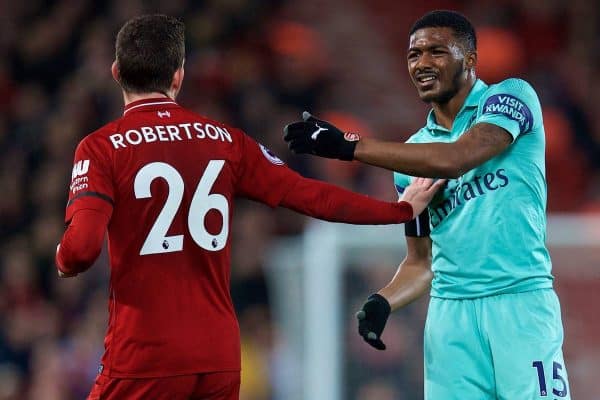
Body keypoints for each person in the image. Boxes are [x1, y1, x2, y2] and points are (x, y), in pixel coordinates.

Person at [55, 14, 444, 400]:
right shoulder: (225, 141)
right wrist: (398, 210)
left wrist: (61, 256)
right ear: (178, 76)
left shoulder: (101, 147)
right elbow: (311, 196)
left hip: (143, 354)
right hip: (218, 355)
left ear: (116, 71)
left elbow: (80, 251)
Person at [283, 10, 571, 400]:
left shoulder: (511, 97)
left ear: (469, 59)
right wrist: (384, 300)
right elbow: (422, 262)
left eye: (436, 51)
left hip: (519, 304)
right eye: (414, 55)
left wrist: (349, 147)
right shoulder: (412, 156)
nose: (422, 63)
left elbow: (457, 157)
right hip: (450, 321)